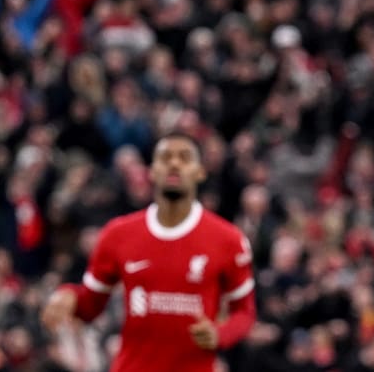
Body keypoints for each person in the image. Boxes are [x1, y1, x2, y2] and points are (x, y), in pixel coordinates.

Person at [41, 134, 257, 372]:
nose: (174, 163)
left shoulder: (228, 239)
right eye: (165, 157)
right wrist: (68, 296)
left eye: (184, 158)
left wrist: (220, 334)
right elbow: (90, 306)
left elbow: (244, 313)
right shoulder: (118, 234)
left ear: (200, 172)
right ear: (152, 171)